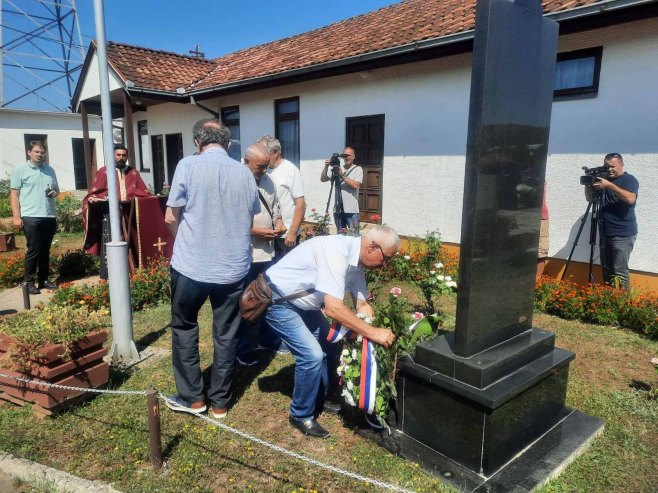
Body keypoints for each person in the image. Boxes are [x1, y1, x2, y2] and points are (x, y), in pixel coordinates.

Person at [264, 225, 399, 438]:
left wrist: (373, 333)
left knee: (329, 343)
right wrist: (372, 332)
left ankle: (322, 397)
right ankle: (300, 414)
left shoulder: (357, 264)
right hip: (278, 301)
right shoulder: (336, 251)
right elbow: (334, 309)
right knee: (312, 356)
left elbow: (362, 305)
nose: (385, 265)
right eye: (386, 258)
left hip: (304, 305)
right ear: (373, 247)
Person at [164, 118, 259, 418]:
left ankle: (193, 398)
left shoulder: (187, 166)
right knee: (227, 334)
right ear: (228, 144)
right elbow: (251, 214)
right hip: (233, 269)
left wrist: (185, 244)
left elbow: (170, 217)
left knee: (184, 327)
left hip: (191, 266)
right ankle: (220, 402)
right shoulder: (245, 173)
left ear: (197, 143)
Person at [235, 143, 287, 366]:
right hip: (245, 253)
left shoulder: (268, 180)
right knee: (247, 302)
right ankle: (243, 348)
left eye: (267, 166)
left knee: (269, 298)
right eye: (260, 167)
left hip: (267, 252)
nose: (264, 171)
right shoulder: (234, 180)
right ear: (247, 162)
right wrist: (254, 231)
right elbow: (229, 220)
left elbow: (274, 206)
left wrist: (278, 222)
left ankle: (268, 339)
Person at [10, 141, 60, 294]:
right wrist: (17, 217)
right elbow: (14, 194)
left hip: (49, 215)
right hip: (31, 216)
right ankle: (29, 282)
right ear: (29, 152)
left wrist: (54, 193)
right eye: (36, 152)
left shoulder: (49, 170)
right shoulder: (20, 170)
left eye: (42, 152)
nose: (39, 155)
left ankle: (44, 280)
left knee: (45, 250)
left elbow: (57, 190)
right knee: (34, 250)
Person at [82, 145, 151, 255]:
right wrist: (95, 199)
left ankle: (131, 266)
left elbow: (143, 192)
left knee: (131, 242)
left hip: (129, 214)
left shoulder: (133, 172)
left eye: (124, 155)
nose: (121, 158)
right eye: (118, 155)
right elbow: (94, 193)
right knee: (111, 242)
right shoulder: (104, 171)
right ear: (113, 156)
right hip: (110, 214)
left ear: (127, 157)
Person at [588, 152, 639, 290]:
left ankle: (623, 305)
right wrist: (589, 185)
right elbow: (589, 199)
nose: (609, 169)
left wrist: (609, 186)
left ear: (621, 165)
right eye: (606, 166)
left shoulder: (628, 179)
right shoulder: (605, 180)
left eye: (612, 166)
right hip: (605, 232)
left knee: (620, 271)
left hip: (623, 233)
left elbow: (630, 199)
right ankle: (610, 299)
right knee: (607, 268)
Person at [256, 135, 305, 258]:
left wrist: (292, 232)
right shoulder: (265, 171)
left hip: (286, 236)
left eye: (264, 152)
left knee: (288, 272)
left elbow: (301, 204)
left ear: (275, 152)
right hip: (270, 233)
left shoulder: (290, 170)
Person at [321, 147, 363, 232]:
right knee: (341, 236)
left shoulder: (358, 169)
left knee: (354, 236)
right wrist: (326, 167)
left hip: (351, 210)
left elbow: (356, 185)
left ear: (353, 156)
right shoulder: (337, 168)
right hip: (338, 209)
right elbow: (323, 179)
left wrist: (341, 175)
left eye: (348, 155)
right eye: (344, 155)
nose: (346, 157)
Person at [537, 181, 549, 279]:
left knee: (541, 251)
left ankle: (537, 283)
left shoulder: (537, 173)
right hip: (521, 214)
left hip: (540, 217)